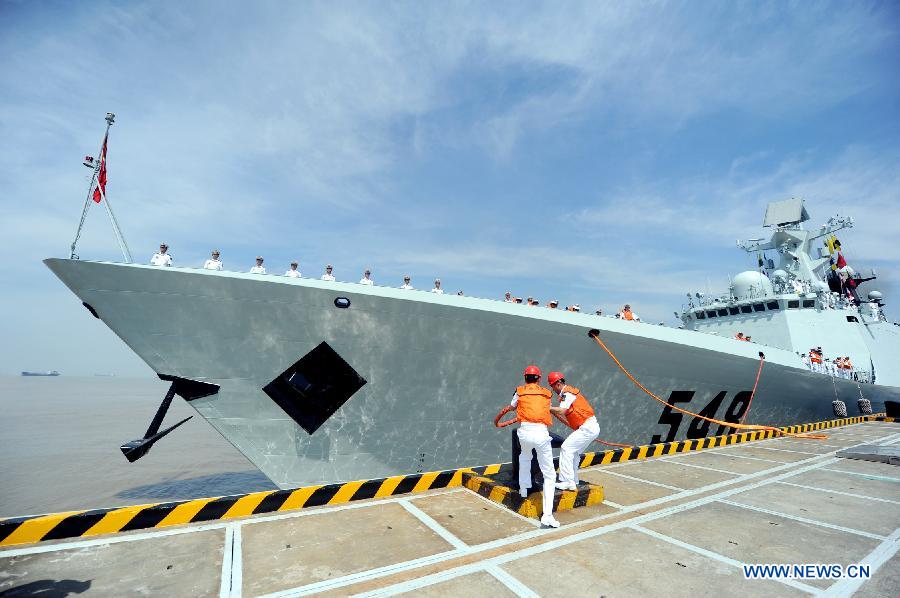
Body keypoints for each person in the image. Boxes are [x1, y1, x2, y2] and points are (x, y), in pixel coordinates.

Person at [508, 365, 560, 528]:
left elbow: (512, 405)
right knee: (549, 475)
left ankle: (524, 489)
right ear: (539, 379)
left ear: (525, 378)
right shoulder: (546, 393)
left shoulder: (519, 391)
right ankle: (547, 516)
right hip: (540, 433)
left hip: (524, 432)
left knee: (525, 456)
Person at [547, 372, 599, 492]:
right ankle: (573, 479)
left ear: (558, 384)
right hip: (590, 427)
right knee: (574, 453)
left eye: (553, 386)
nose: (553, 389)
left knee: (566, 448)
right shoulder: (568, 393)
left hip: (587, 427)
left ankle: (567, 481)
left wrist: (547, 408)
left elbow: (562, 410)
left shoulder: (567, 393)